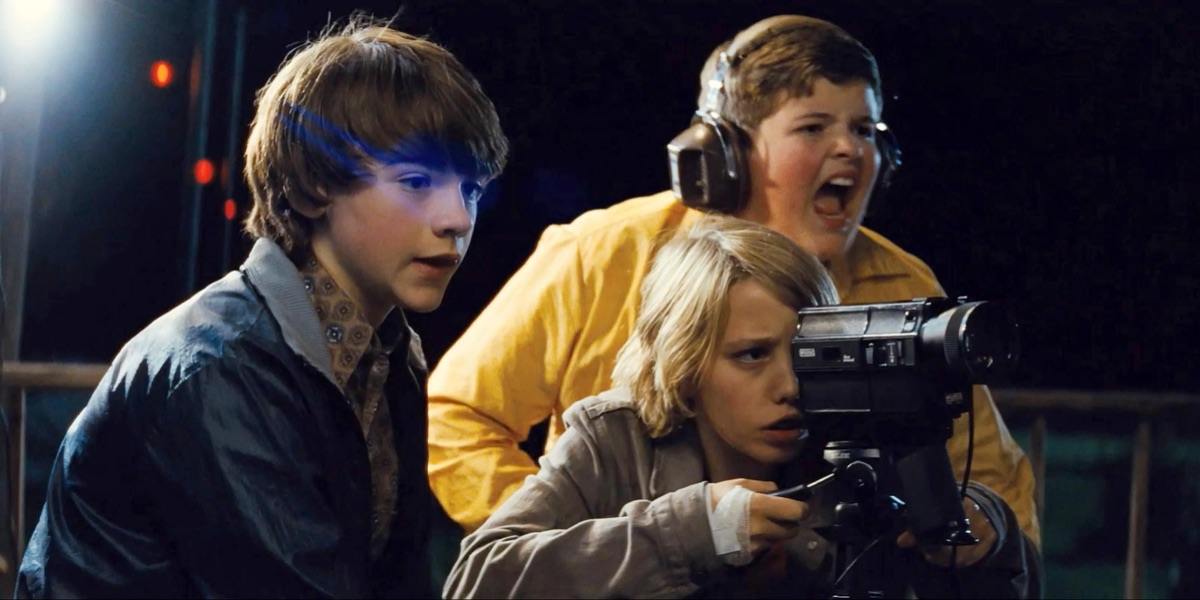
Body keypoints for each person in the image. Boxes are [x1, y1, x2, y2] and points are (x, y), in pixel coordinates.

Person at [427, 13, 1040, 550]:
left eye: (864, 130)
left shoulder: (900, 284)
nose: (850, 150)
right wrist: (578, 550)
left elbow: (990, 475)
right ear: (727, 156)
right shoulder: (604, 253)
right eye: (813, 127)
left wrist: (981, 541)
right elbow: (457, 418)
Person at [15, 14, 508, 598]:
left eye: (471, 189)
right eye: (417, 181)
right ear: (313, 186)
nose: (457, 219)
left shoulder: (391, 355)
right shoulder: (221, 365)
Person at [443, 216, 1040, 598]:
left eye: (807, 355)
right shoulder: (615, 440)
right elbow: (477, 581)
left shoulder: (863, 441)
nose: (790, 386)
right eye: (751, 355)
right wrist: (690, 534)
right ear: (685, 363)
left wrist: (990, 543)